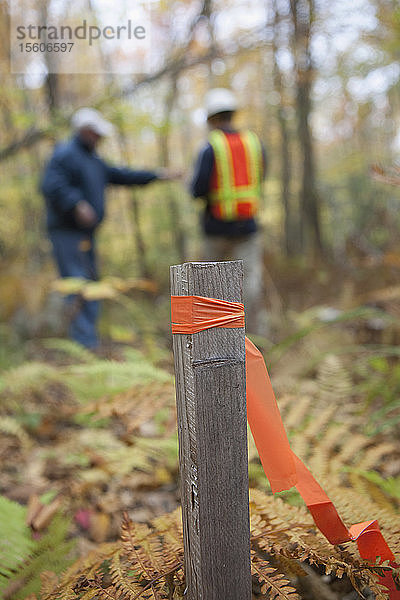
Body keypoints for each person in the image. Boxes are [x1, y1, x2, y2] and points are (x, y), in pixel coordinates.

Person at [42, 107, 178, 349]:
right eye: (97, 134)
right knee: (76, 283)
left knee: (91, 285)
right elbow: (50, 185)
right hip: (66, 233)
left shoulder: (94, 160)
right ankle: (84, 344)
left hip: (87, 234)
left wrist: (157, 175)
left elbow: (123, 175)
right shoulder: (65, 154)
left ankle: (88, 341)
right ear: (84, 131)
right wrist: (76, 204)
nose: (100, 139)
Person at [190, 88, 267, 334]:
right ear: (232, 114)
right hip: (248, 225)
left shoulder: (210, 147)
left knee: (212, 286)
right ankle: (253, 337)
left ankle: (217, 336)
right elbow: (260, 177)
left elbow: (198, 189)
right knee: (250, 283)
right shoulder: (255, 143)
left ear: (211, 119)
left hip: (216, 228)